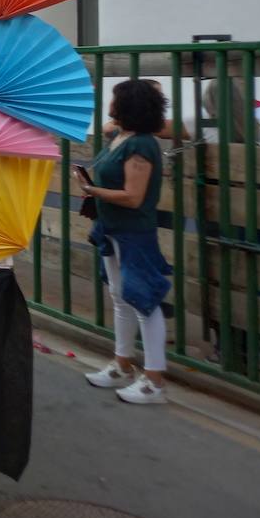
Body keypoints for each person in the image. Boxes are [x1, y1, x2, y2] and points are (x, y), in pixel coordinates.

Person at [76, 79, 172, 404]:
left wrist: (93, 191)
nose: (110, 105)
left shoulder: (141, 145)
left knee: (144, 301)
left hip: (133, 230)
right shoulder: (121, 136)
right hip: (112, 227)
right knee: (120, 297)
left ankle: (155, 381)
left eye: (116, 100)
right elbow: (108, 129)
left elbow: (133, 197)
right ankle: (122, 364)